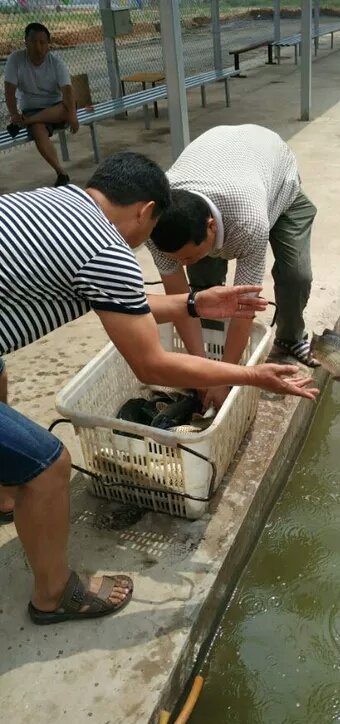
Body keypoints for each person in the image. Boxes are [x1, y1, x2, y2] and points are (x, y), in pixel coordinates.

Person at [0, 151, 318, 625]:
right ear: (147, 210)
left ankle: (6, 491)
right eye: (151, 232)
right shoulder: (105, 246)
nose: (146, 244)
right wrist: (253, 375)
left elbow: (121, 299)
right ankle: (53, 594)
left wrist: (193, 302)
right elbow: (151, 365)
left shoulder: (53, 202)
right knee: (50, 465)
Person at [148, 124, 320, 412]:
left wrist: (223, 379)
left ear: (211, 227)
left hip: (275, 178)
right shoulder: (159, 229)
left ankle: (291, 339)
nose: (182, 263)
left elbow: (245, 307)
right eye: (177, 258)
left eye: (188, 256)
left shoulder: (248, 222)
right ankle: (211, 354)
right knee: (204, 290)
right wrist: (202, 371)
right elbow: (182, 302)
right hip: (220, 159)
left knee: (296, 275)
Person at [4, 22, 78, 187]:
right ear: (25, 42)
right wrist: (14, 113)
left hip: (57, 106)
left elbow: (67, 92)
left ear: (48, 45)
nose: (38, 47)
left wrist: (72, 115)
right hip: (32, 109)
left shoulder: (56, 63)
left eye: (42, 43)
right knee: (38, 130)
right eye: (33, 42)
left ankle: (28, 121)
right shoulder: (15, 60)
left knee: (64, 108)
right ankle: (61, 172)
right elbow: (9, 91)